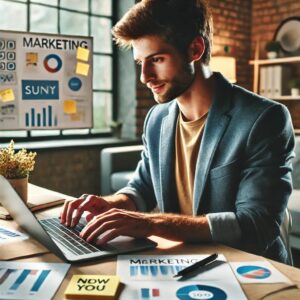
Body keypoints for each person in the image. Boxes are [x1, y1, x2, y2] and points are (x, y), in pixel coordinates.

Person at [60, 0, 295, 264]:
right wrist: (110, 204)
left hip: (251, 269)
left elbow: (257, 225)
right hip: (183, 261)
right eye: (140, 62)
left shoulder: (264, 119)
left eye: (157, 59)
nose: (144, 76)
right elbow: (143, 187)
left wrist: (152, 224)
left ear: (195, 49)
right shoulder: (157, 118)